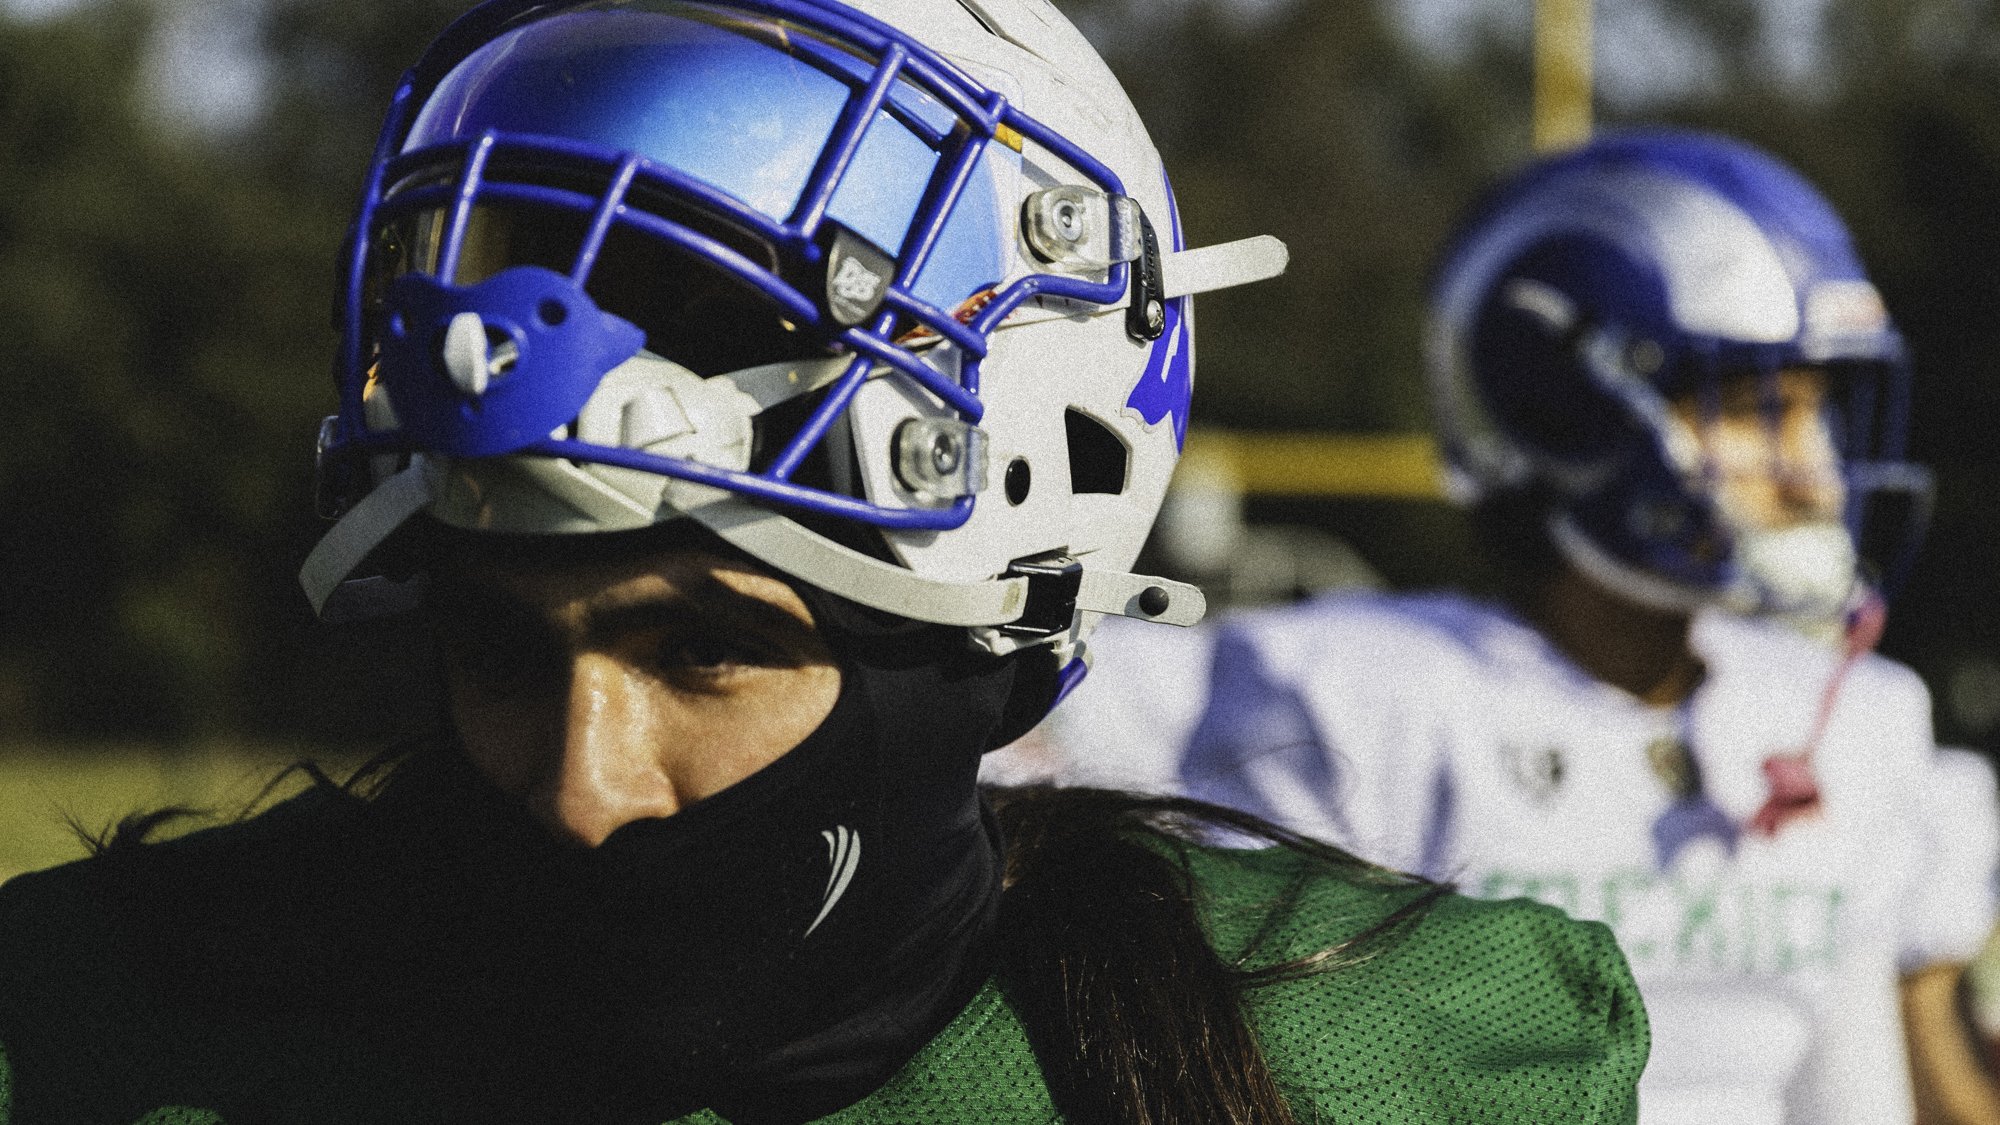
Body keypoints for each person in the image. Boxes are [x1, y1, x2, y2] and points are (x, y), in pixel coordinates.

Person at [0, 1, 1647, 1122]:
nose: (586, 784)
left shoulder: (1377, 1046)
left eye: (703, 649)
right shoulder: (102, 1029)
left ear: (984, 642)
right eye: (500, 647)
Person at [1027, 129, 2000, 1125]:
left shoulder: (1848, 722)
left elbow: (1850, 1100)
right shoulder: (1362, 701)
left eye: (1816, 412)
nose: (1812, 472)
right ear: (1565, 410)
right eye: (1754, 409)